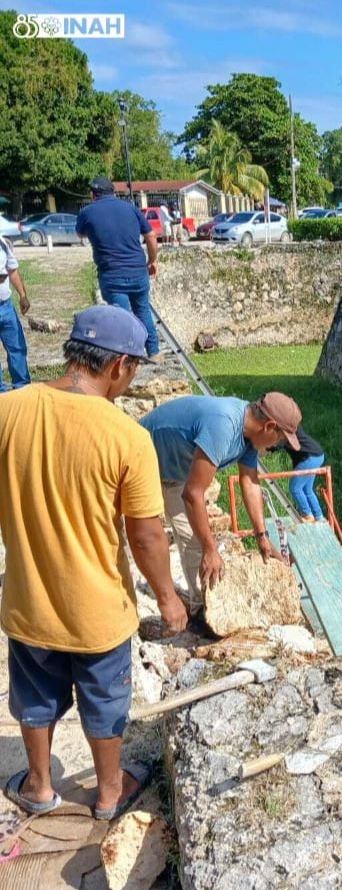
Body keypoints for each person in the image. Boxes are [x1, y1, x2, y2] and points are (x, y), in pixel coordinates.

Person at [0, 305, 187, 820]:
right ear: (118, 366)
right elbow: (146, 535)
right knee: (104, 703)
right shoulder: (126, 437)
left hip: (28, 603)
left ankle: (38, 786)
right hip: (97, 613)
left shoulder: (9, 408)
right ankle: (108, 794)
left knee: (34, 699)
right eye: (135, 370)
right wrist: (169, 599)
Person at [140, 391, 302, 625]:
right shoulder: (224, 426)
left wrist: (262, 537)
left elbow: (250, 482)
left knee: (193, 541)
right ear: (269, 426)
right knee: (141, 536)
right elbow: (193, 494)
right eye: (280, 440)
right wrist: (210, 549)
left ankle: (201, 611)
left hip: (175, 470)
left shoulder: (249, 435)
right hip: (142, 459)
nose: (277, 445)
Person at [75, 177, 160, 358]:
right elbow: (151, 236)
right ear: (113, 192)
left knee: (122, 318)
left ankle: (129, 358)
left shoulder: (87, 212)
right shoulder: (131, 208)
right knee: (143, 311)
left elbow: (79, 234)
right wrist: (152, 261)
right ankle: (154, 352)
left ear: (93, 194)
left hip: (112, 274)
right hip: (138, 271)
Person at [275, 423, 325, 523]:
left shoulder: (285, 429)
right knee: (307, 489)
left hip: (309, 458)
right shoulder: (293, 424)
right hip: (317, 455)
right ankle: (319, 517)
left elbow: (276, 445)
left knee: (295, 488)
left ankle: (307, 515)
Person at [0, 235, 31, 391]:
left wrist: (22, 296)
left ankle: (22, 390)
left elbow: (12, 271)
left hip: (6, 307)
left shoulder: (3, 243)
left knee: (17, 347)